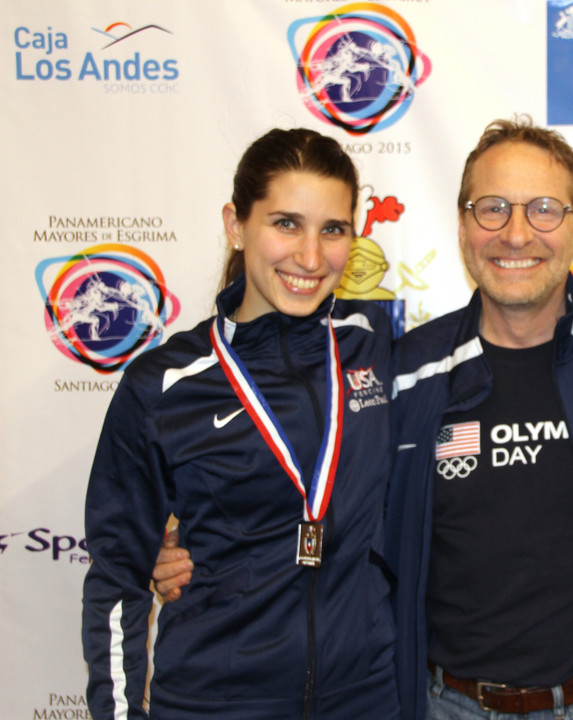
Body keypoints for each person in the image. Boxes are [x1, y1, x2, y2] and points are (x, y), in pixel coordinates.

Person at [81, 128, 399, 718]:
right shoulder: (165, 383)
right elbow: (116, 575)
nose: (309, 256)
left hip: (364, 696)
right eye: (285, 223)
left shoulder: (377, 344)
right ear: (236, 224)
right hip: (214, 700)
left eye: (332, 229)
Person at [387, 118, 573, 719]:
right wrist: (193, 540)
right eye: (492, 208)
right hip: (448, 707)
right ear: (464, 227)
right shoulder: (408, 374)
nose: (516, 234)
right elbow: (335, 508)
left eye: (544, 209)